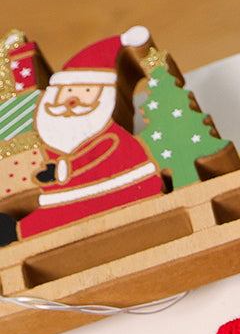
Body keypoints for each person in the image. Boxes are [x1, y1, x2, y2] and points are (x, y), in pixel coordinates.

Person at [0, 26, 163, 246]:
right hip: (71, 194)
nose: (72, 101)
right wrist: (53, 172)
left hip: (117, 186)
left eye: (85, 93)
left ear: (103, 98)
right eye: (67, 92)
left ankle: (17, 231)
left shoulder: (109, 135)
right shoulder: (55, 136)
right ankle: (18, 231)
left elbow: (100, 154)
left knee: (53, 218)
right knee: (51, 217)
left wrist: (60, 170)